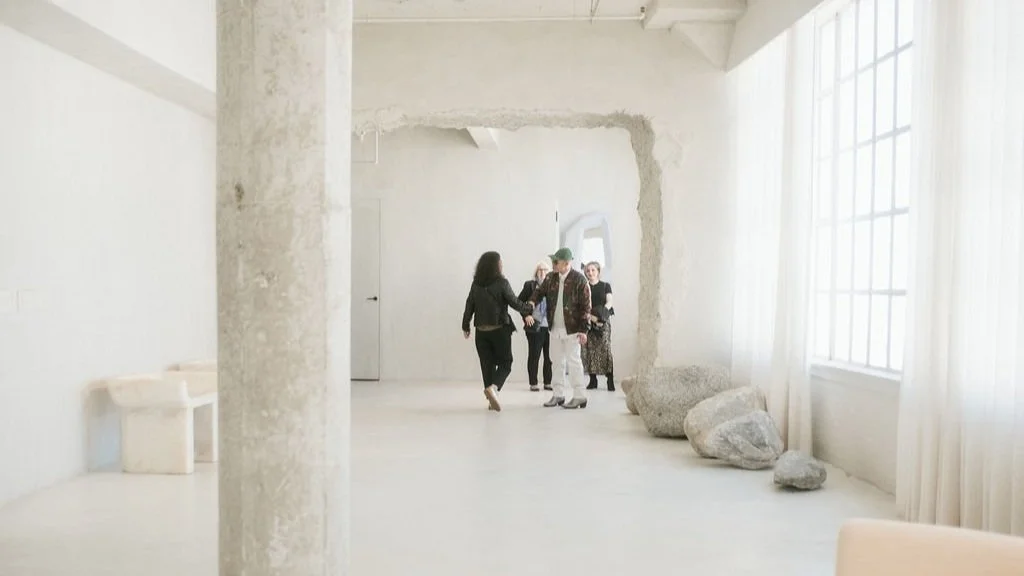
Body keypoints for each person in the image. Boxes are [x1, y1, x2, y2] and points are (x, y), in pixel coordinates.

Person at [462, 251, 533, 412]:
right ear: (495, 265)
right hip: (499, 330)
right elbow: (514, 302)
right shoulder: (502, 283)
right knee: (506, 363)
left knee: (486, 365)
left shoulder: (476, 284)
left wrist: (465, 325)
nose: (502, 264)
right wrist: (529, 307)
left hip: (481, 331)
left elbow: (469, 305)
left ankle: (491, 399)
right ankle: (493, 389)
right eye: (500, 262)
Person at [525, 247, 592, 409]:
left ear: (566, 263)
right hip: (554, 329)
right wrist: (532, 302)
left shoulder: (579, 280)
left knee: (574, 362)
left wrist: (584, 330)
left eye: (556, 261)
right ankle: (558, 394)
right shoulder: (551, 278)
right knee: (556, 362)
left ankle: (580, 396)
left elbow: (586, 307)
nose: (553, 264)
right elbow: (539, 292)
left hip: (573, 330)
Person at [518, 261, 553, 392]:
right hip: (535, 325)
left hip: (551, 326)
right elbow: (519, 302)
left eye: (545, 270)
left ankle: (548, 382)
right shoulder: (530, 285)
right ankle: (533, 383)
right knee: (534, 355)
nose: (543, 272)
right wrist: (526, 315)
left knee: (549, 356)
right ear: (536, 272)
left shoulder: (553, 286)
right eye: (540, 269)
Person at [582, 261, 615, 391]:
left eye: (593, 270)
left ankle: (610, 379)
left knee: (606, 350)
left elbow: (609, 302)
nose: (590, 273)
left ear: (598, 271)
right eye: (588, 271)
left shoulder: (605, 286)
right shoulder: (584, 287)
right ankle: (593, 380)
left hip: (603, 321)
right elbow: (582, 306)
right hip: (589, 322)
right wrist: (592, 318)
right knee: (590, 351)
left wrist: (601, 315)